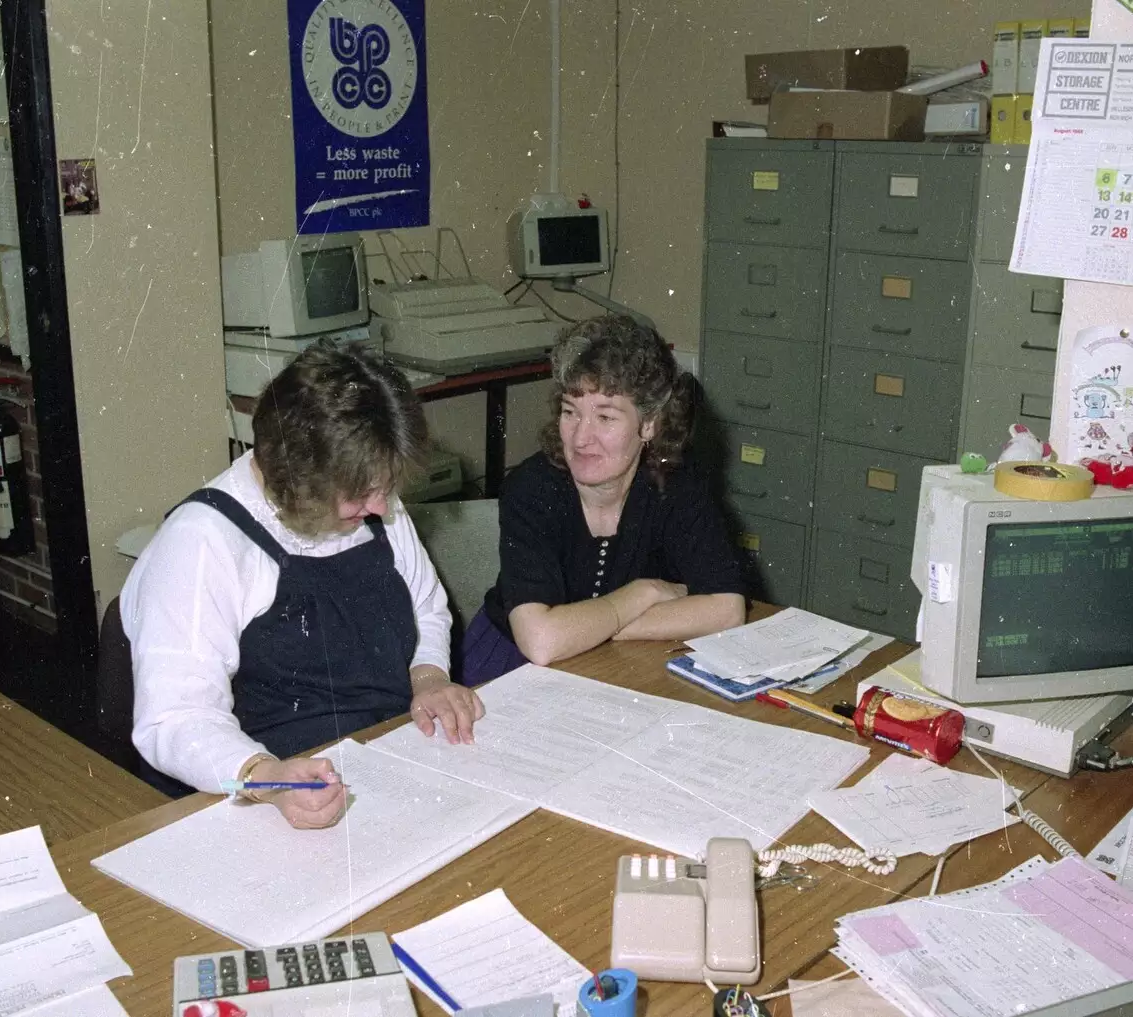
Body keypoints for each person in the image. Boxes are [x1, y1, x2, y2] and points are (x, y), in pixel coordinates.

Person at [121, 345, 484, 828]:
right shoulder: (202, 542)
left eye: (385, 487)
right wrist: (267, 779)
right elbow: (172, 719)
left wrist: (430, 678)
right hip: (260, 791)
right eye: (361, 494)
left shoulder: (370, 501)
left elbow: (427, 607)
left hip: (384, 756)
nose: (381, 508)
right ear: (298, 480)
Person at [462, 315, 747, 684]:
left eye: (605, 417)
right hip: (508, 665)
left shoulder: (676, 484)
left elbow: (727, 609)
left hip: (617, 658)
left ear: (649, 424)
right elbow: (541, 642)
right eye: (570, 412)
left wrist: (586, 627)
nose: (581, 438)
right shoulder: (532, 487)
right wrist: (642, 593)